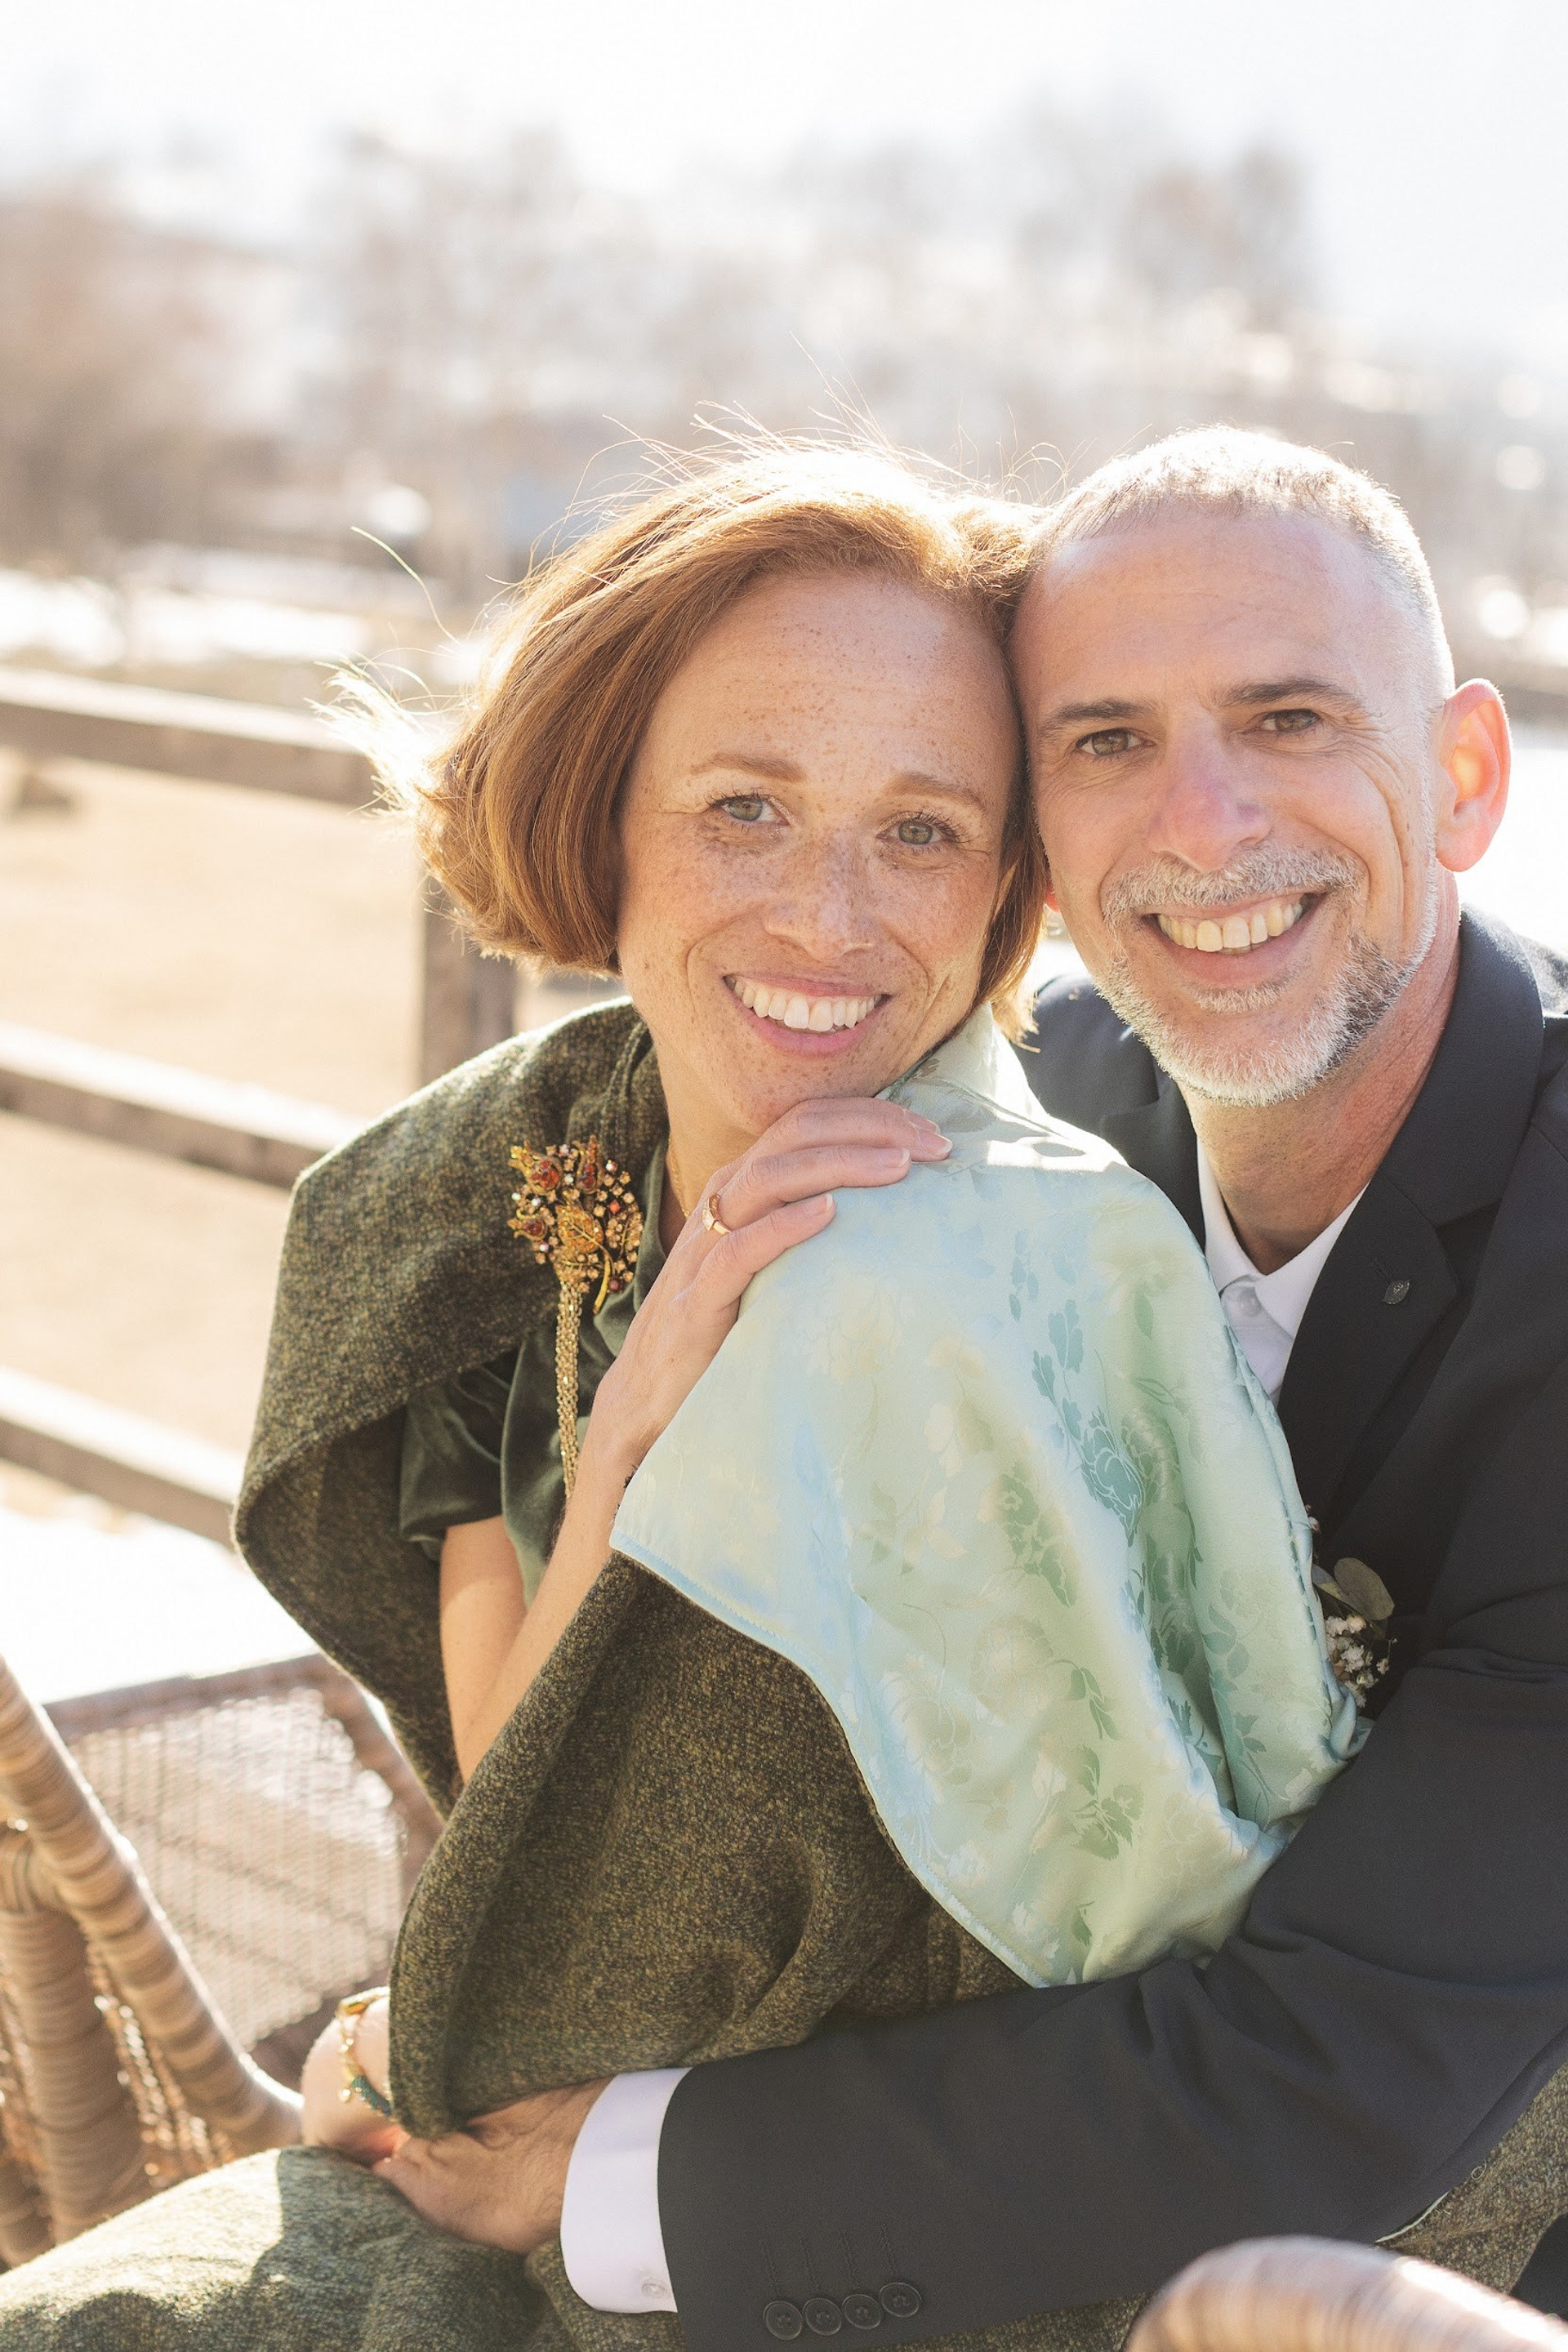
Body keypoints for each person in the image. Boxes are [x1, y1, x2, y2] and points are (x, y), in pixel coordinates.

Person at [0, 443, 1352, 2352]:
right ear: (606, 821)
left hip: (899, 2225)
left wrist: (416, 2068)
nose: (829, 918)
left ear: (1006, 886)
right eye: (744, 810)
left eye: (921, 831)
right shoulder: (537, 1186)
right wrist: (633, 1427)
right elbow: (513, 1795)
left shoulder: (978, 1289)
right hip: (529, 2096)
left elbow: (1077, 1956)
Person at [443, 430, 1563, 2352]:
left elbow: (1334, 2071)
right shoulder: (1024, 1132)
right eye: (1106, 740)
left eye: (1289, 719)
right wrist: (622, 1433)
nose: (1201, 825)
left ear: (1464, 778)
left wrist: (608, 2173)